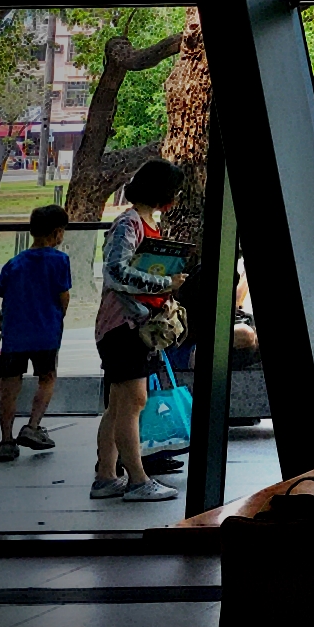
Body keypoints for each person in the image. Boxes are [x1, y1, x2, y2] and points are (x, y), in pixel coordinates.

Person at [95, 160, 185, 502]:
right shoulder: (130, 224)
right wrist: (166, 282)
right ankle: (136, 479)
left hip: (126, 325)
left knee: (119, 405)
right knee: (133, 401)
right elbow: (115, 272)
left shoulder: (143, 223)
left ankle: (106, 475)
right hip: (123, 326)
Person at [0, 203, 72, 460]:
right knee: (47, 378)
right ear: (58, 232)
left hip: (15, 335)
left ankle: (6, 440)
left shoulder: (15, 262)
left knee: (10, 386)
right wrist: (59, 315)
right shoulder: (60, 260)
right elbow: (64, 296)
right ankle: (33, 426)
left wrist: (0, 316)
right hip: (46, 332)